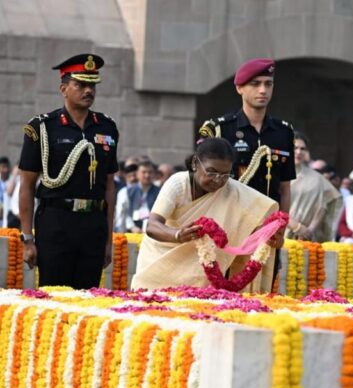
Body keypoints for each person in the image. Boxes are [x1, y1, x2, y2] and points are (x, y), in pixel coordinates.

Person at [18, 54, 118, 289]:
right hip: (56, 222)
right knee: (54, 295)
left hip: (93, 223)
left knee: (88, 297)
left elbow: (109, 186)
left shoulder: (107, 127)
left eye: (92, 85)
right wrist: (28, 239)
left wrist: (108, 241)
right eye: (80, 84)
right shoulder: (42, 127)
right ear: (63, 88)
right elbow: (27, 186)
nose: (88, 90)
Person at [132, 138, 282, 291]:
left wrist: (270, 237)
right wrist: (178, 235)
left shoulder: (232, 191)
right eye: (211, 172)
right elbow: (153, 225)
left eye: (225, 175)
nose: (218, 180)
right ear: (195, 163)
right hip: (159, 264)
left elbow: (260, 218)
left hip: (199, 276)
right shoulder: (178, 184)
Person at [197, 58, 295, 211]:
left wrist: (281, 225)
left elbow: (285, 188)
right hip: (228, 218)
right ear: (239, 88)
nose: (263, 90)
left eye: (268, 84)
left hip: (268, 222)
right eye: (255, 84)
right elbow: (203, 182)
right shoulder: (219, 129)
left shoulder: (284, 131)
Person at [286, 132, 342, 243]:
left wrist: (309, 230)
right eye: (294, 148)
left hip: (306, 238)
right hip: (281, 233)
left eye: (302, 149)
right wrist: (296, 227)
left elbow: (324, 205)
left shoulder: (316, 178)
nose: (298, 152)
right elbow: (272, 207)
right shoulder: (275, 174)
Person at [117, 160, 160, 233]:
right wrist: (132, 227)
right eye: (144, 172)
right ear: (137, 174)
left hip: (152, 231)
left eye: (150, 172)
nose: (147, 175)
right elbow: (123, 213)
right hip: (130, 231)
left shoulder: (159, 192)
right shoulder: (126, 192)